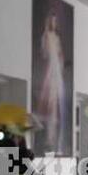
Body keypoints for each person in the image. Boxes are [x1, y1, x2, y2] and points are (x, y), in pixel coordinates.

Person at [37, 12, 66, 152]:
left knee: (55, 104)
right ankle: (49, 138)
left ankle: (52, 138)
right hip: (51, 69)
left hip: (56, 69)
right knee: (50, 103)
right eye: (52, 21)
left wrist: (60, 62)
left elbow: (59, 53)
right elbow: (45, 53)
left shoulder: (56, 37)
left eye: (55, 22)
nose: (54, 24)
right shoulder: (46, 36)